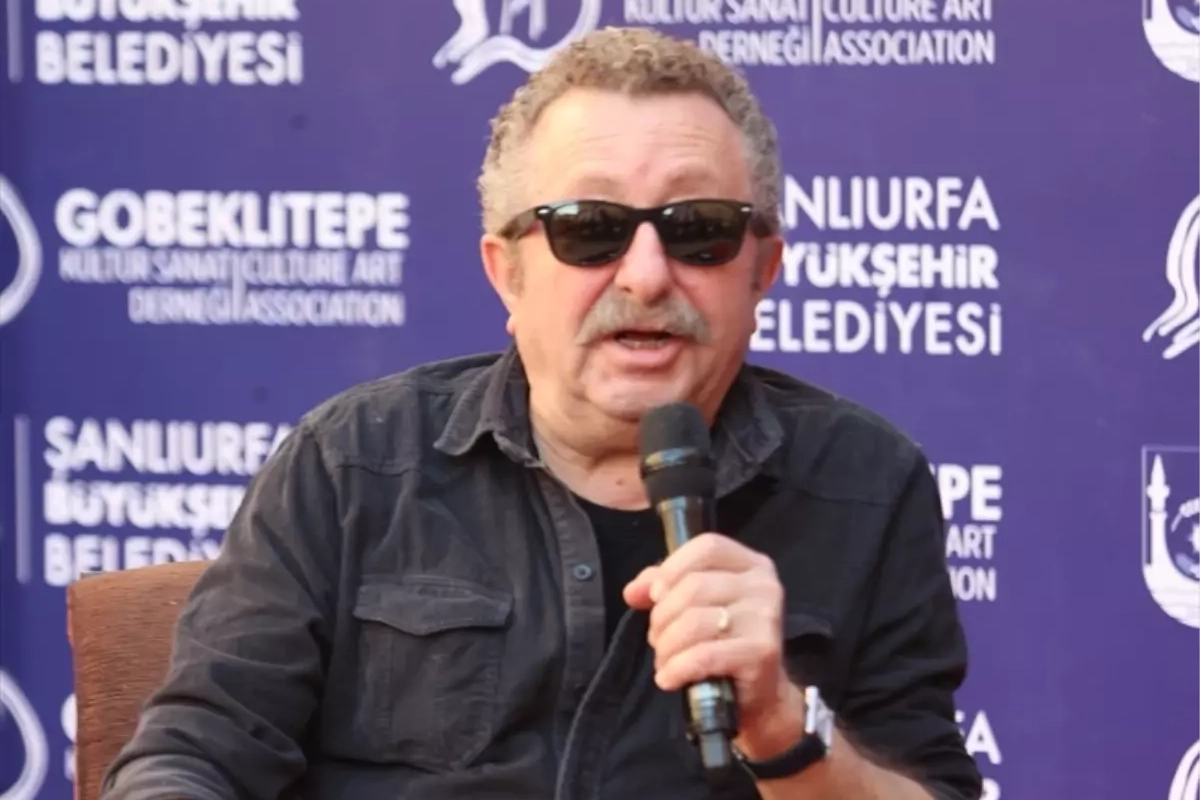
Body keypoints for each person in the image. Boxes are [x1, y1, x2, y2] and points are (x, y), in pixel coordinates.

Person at [101, 26, 983, 800]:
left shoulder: (867, 484)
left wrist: (784, 723)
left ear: (763, 271)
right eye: (590, 228)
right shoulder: (350, 463)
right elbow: (193, 758)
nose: (646, 275)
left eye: (698, 228)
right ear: (506, 272)